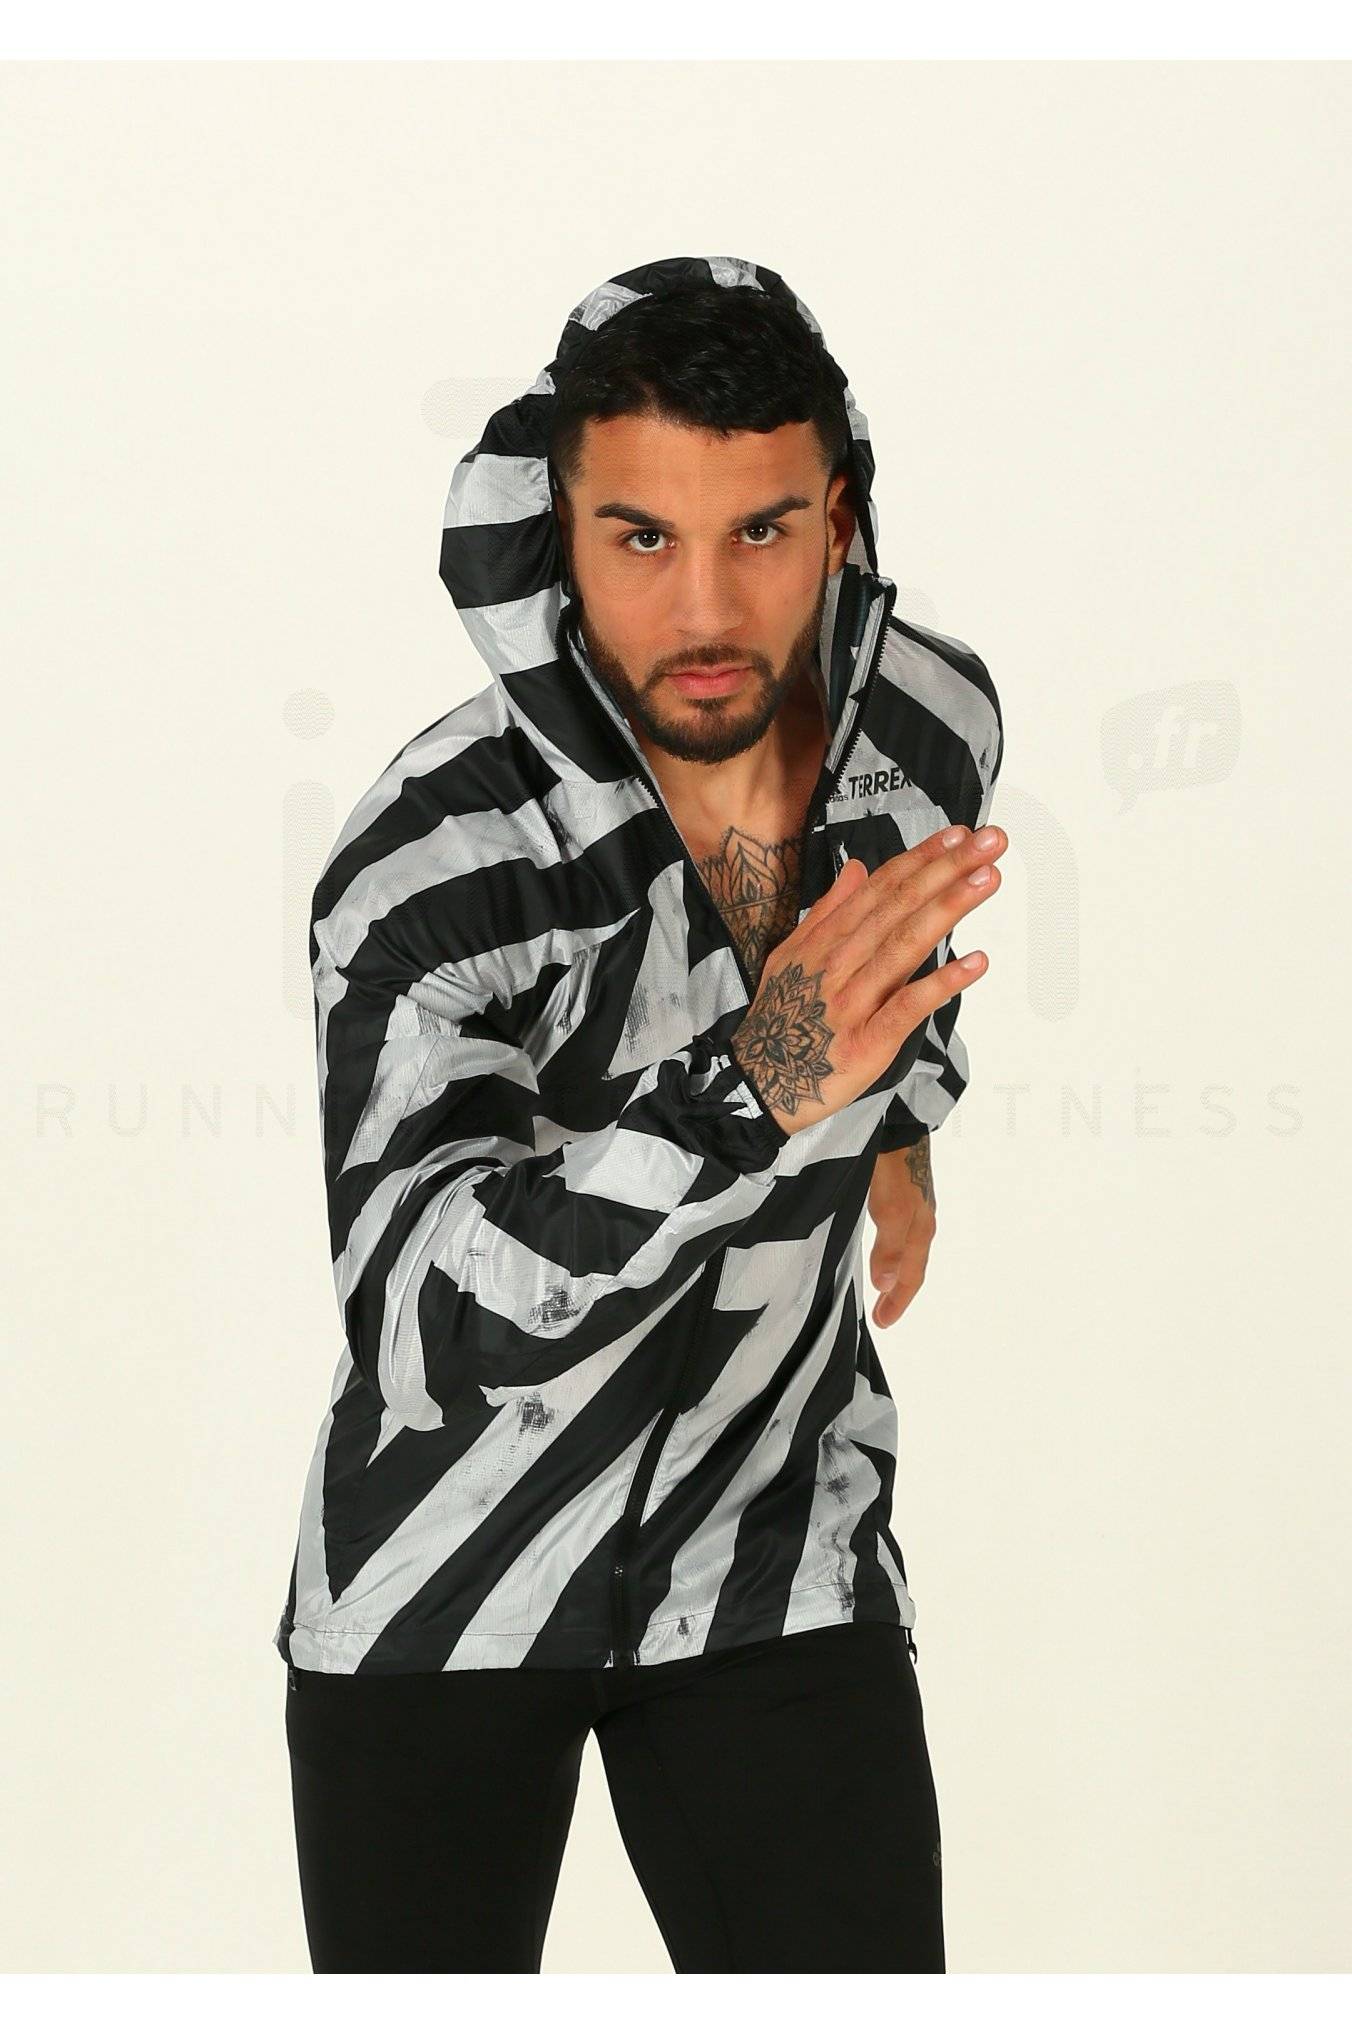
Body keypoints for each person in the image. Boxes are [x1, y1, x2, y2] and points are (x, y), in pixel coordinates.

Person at [274, 253, 1007, 1974]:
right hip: (446, 1583)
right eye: (642, 538)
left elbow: (902, 981)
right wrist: (757, 1083)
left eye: (760, 530)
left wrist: (901, 1127)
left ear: (836, 520)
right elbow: (424, 1317)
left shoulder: (928, 729)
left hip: (777, 1551)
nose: (705, 608)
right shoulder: (426, 863)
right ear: (559, 530)